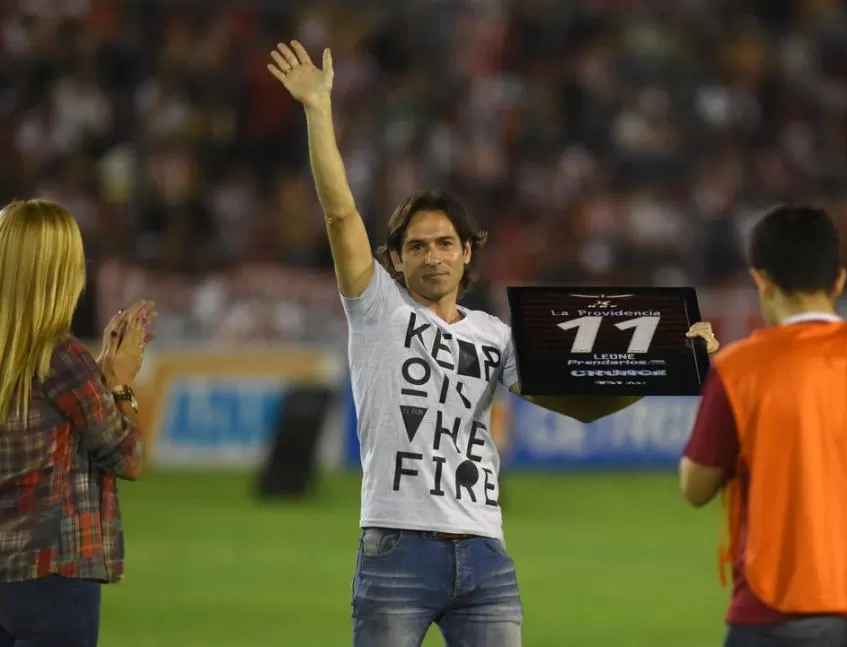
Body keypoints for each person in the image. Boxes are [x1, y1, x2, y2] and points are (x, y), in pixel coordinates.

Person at [267, 40, 720, 647]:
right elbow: (341, 216)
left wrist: (661, 369)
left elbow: (577, 405)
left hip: (484, 553)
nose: (434, 255)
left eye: (445, 243)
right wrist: (318, 110)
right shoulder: (375, 308)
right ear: (394, 262)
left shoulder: (497, 335)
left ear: (467, 252)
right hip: (396, 546)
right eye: (418, 247)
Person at [679, 204, 847, 647]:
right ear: (840, 280)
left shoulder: (740, 368)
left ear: (761, 280)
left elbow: (695, 487)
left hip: (777, 609)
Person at [0, 199, 156, 647]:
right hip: (53, 579)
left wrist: (99, 377)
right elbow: (128, 456)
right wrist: (120, 384)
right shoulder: (62, 359)